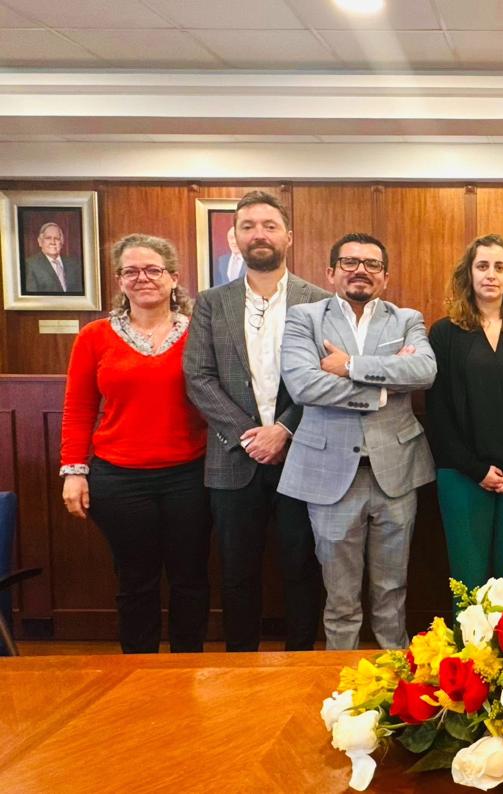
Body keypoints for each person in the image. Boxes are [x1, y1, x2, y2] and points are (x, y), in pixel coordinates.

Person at [183, 191, 328, 652]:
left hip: (302, 456)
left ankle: (301, 660)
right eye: (248, 226)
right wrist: (251, 437)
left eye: (269, 225)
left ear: (289, 236)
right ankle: (240, 665)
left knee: (302, 566)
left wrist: (283, 430)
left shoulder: (320, 301)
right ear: (235, 238)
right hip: (232, 459)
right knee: (236, 571)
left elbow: (327, 378)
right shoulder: (211, 303)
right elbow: (198, 377)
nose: (259, 234)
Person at [278, 233, 436, 650]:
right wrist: (383, 388)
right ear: (331, 272)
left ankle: (396, 679)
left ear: (385, 276)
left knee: (392, 591)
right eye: (349, 262)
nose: (360, 270)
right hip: (329, 476)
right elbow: (304, 385)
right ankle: (340, 680)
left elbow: (423, 371)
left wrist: (348, 365)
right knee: (340, 597)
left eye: (372, 264)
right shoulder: (304, 318)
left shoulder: (406, 319)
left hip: (396, 474)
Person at [60, 234, 208, 653]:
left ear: (173, 277)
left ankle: (187, 668)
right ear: (120, 280)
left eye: (153, 269)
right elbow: (78, 407)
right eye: (131, 271)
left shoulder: (201, 332)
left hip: (190, 476)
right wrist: (74, 472)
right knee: (135, 581)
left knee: (190, 579)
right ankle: (139, 671)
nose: (143, 278)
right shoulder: (94, 336)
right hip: (119, 479)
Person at [427, 234, 503, 589]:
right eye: (482, 266)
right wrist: (475, 469)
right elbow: (437, 411)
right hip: (462, 474)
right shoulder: (445, 332)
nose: (491, 274)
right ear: (468, 273)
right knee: (468, 580)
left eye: (500, 267)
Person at [24, 221, 84, 294]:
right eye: (48, 238)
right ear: (40, 242)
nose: (53, 242)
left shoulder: (74, 264)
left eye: (57, 238)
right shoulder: (30, 265)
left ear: (62, 242)